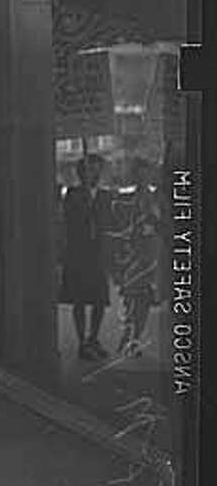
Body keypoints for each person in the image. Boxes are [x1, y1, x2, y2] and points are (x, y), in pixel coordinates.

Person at [59, 154, 114, 361]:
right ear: (82, 172)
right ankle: (82, 341)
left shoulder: (105, 195)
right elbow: (69, 220)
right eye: (91, 169)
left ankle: (93, 338)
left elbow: (110, 221)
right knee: (79, 299)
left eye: (97, 169)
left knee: (99, 298)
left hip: (97, 253)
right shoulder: (73, 194)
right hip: (78, 253)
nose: (94, 173)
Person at [114, 157, 165, 357]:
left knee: (143, 298)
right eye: (139, 173)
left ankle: (134, 339)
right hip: (132, 252)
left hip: (150, 252)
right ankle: (126, 334)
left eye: (146, 173)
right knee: (129, 296)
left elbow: (164, 223)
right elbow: (120, 223)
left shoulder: (156, 198)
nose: (143, 177)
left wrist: (154, 223)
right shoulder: (127, 197)